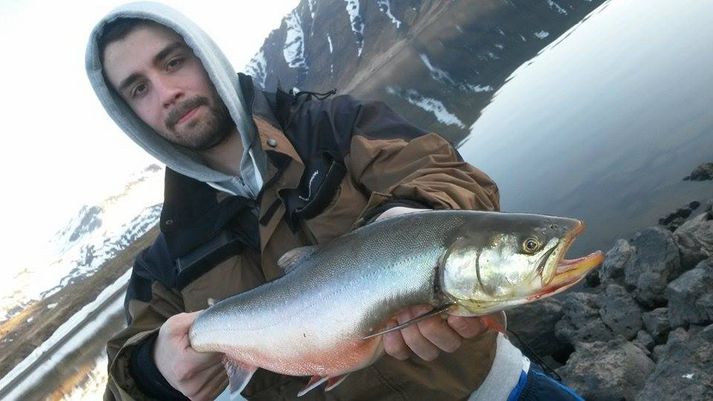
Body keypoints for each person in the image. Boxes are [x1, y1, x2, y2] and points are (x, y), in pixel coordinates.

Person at [85, 2, 584, 401]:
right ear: (131, 117)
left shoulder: (333, 125)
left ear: (205, 56)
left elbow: (442, 171)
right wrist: (154, 372)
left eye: (173, 61)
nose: (167, 91)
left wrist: (413, 220)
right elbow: (123, 380)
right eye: (139, 88)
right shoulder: (164, 264)